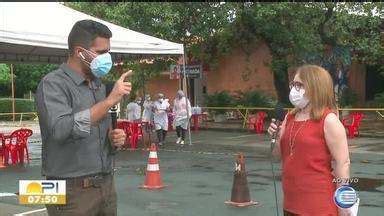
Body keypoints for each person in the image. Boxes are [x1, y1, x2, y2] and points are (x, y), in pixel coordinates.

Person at [35, 20, 131, 216]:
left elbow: (96, 133)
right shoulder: (52, 84)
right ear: (80, 52)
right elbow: (61, 130)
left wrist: (113, 139)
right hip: (70, 192)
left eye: (108, 51)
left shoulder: (97, 84)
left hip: (105, 186)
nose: (107, 58)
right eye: (101, 52)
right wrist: (109, 101)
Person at [267, 65, 351, 216]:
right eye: (293, 84)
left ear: (315, 87)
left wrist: (344, 206)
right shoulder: (289, 117)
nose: (293, 89)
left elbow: (342, 163)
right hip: (290, 203)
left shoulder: (328, 120)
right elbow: (276, 157)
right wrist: (276, 137)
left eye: (299, 85)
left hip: (319, 206)